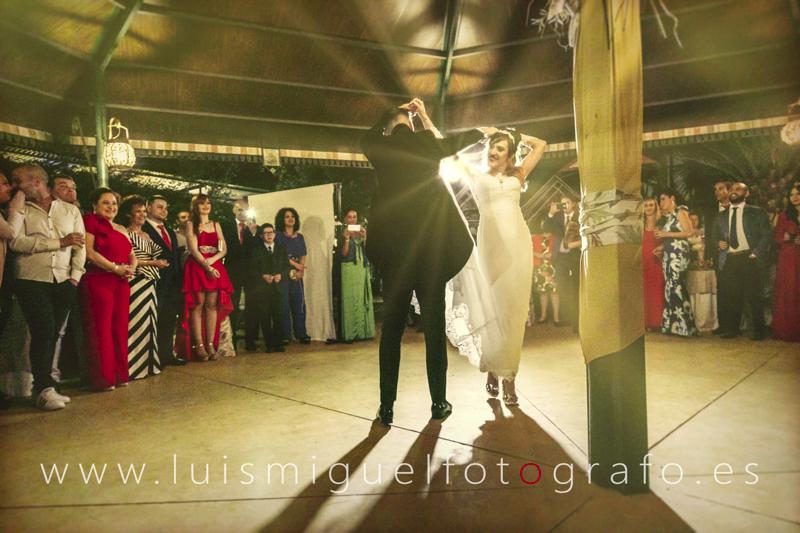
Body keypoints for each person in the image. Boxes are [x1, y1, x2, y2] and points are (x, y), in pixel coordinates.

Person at [361, 97, 484, 425]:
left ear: (389, 125)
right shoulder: (425, 144)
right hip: (431, 254)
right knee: (433, 329)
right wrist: (433, 118)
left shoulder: (381, 149)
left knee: (391, 332)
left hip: (397, 258)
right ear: (411, 122)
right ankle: (438, 403)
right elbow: (454, 143)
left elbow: (366, 138)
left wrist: (386, 118)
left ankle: (386, 407)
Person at [444, 128, 547, 405]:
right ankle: (492, 369)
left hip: (518, 247)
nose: (493, 151)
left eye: (500, 148)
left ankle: (510, 377)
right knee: (492, 312)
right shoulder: (476, 175)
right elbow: (449, 149)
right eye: (492, 147)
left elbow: (541, 144)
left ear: (510, 154)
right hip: (490, 249)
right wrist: (483, 133)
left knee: (514, 313)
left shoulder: (519, 174)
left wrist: (513, 134)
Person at [9, 164, 85, 410]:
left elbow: (80, 245)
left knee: (52, 333)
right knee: (43, 330)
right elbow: (16, 242)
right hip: (31, 278)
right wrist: (58, 242)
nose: (13, 186)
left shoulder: (69, 210)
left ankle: (45, 385)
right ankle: (42, 388)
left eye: (17, 181)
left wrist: (75, 277)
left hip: (63, 280)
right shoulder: (20, 208)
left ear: (34, 181)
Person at [81, 188, 136, 391]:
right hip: (99, 278)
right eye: (106, 203)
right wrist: (115, 268)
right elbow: (90, 252)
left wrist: (131, 268)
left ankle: (120, 374)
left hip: (122, 281)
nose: (111, 207)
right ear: (95, 204)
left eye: (114, 203)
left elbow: (132, 254)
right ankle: (104, 378)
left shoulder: (121, 227)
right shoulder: (90, 221)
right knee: (101, 329)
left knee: (120, 328)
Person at [711, 182, 772, 340]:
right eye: (731, 189)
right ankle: (732, 330)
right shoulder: (721, 216)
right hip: (730, 259)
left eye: (738, 189)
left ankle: (759, 331)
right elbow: (714, 238)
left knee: (754, 296)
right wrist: (719, 243)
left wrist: (756, 253)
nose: (733, 192)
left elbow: (767, 235)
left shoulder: (756, 212)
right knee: (732, 296)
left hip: (749, 258)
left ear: (747, 193)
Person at [178, 194, 234, 361]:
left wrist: (213, 261)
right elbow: (193, 249)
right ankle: (199, 345)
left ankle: (210, 344)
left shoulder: (216, 225)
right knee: (197, 304)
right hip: (198, 266)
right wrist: (207, 265)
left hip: (213, 264)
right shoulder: (191, 224)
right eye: (202, 203)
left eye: (208, 203)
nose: (206, 206)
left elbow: (223, 248)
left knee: (212, 305)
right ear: (195, 206)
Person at [122, 195, 167, 379]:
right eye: (137, 212)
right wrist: (154, 263)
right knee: (135, 322)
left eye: (143, 211)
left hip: (150, 283)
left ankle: (149, 364)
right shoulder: (125, 232)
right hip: (136, 281)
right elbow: (128, 260)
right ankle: (133, 366)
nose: (141, 214)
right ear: (128, 214)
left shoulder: (147, 235)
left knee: (150, 323)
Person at [142, 195, 186, 366]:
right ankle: (152, 357)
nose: (164, 211)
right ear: (149, 208)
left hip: (172, 283)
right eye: (159, 207)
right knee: (154, 320)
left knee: (168, 320)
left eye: (166, 208)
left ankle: (166, 354)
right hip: (154, 280)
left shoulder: (168, 230)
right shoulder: (143, 229)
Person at [654, 190, 697, 337]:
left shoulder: (681, 212)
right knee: (670, 286)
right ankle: (672, 325)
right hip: (669, 254)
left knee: (676, 285)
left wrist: (666, 234)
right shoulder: (668, 218)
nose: (661, 203)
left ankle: (685, 326)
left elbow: (689, 232)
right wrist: (660, 247)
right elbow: (670, 238)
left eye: (663, 199)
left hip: (679, 255)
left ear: (672, 198)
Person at [222, 198, 258, 350]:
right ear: (234, 210)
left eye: (245, 209)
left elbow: (257, 251)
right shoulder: (225, 226)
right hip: (233, 271)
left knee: (252, 305)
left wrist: (254, 233)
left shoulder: (254, 228)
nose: (243, 213)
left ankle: (251, 340)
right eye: (240, 209)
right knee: (233, 306)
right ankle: (232, 340)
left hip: (250, 273)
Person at [543, 193, 580, 332]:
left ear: (573, 204)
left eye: (568, 203)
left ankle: (577, 323)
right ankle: (567, 318)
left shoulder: (579, 217)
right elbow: (545, 227)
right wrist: (551, 214)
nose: (565, 205)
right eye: (562, 203)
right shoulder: (557, 218)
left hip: (575, 256)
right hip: (561, 259)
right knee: (563, 288)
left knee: (576, 288)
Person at [250, 223, 288, 353]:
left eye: (271, 232)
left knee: (278, 315)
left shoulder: (281, 249)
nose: (269, 235)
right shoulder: (256, 250)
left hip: (278, 287)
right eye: (265, 233)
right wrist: (263, 276)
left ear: (275, 234)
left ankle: (279, 343)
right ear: (261, 236)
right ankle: (269, 344)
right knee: (265, 316)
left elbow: (287, 267)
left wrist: (280, 275)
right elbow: (252, 270)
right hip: (263, 288)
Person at [339, 208, 375, 342]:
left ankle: (363, 332)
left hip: (361, 267)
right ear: (345, 219)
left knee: (362, 297)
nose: (352, 219)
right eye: (349, 217)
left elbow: (368, 251)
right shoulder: (341, 233)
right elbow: (343, 254)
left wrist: (365, 237)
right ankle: (350, 333)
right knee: (350, 298)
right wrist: (347, 239)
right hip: (349, 268)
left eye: (354, 217)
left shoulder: (361, 231)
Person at [275, 207, 311, 344]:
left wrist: (301, 271)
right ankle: (285, 335)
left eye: (292, 216)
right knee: (283, 304)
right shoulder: (278, 236)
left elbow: (303, 255)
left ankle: (301, 334)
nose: (290, 219)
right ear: (282, 220)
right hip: (283, 273)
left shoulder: (300, 237)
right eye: (287, 216)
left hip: (297, 276)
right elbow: (280, 255)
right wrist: (296, 266)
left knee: (299, 304)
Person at [771, 184, 800, 341]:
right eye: (791, 195)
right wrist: (787, 238)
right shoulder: (784, 215)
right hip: (788, 257)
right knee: (789, 290)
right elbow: (776, 237)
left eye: (798, 194)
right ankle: (788, 331)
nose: (794, 197)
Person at [642, 197, 665, 331]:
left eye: (651, 205)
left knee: (657, 292)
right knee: (644, 293)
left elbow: (667, 241)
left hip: (657, 262)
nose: (649, 208)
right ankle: (645, 323)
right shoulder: (639, 224)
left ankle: (657, 323)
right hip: (643, 262)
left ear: (655, 207)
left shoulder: (662, 223)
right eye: (646, 205)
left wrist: (662, 249)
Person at [532, 232, 559, 324]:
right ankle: (543, 316)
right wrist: (539, 255)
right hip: (539, 267)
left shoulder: (555, 237)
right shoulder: (534, 237)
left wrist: (540, 255)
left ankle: (556, 317)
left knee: (554, 291)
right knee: (542, 292)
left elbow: (554, 252)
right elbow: (529, 251)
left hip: (552, 267)